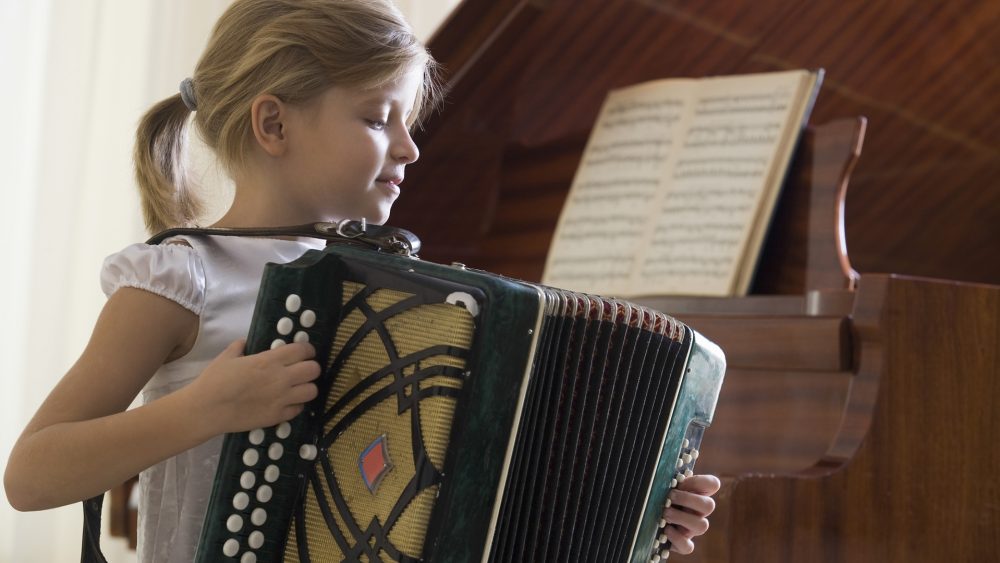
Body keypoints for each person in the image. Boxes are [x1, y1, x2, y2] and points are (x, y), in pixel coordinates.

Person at [4, 0, 719, 561]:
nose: (409, 146)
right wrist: (204, 410)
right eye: (379, 118)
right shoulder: (183, 276)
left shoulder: (412, 298)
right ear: (274, 124)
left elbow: (487, 475)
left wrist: (640, 500)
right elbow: (31, 474)